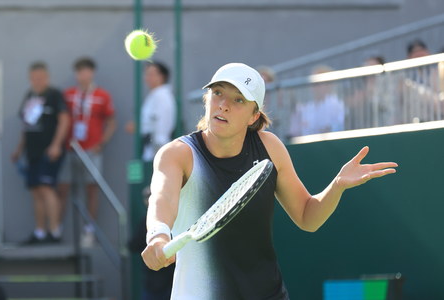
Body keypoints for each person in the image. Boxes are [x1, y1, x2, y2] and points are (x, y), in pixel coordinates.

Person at [141, 63, 397, 299]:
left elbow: (308, 217)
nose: (223, 105)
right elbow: (162, 198)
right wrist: (157, 236)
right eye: (218, 93)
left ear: (254, 116)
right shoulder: (178, 154)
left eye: (238, 99)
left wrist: (337, 185)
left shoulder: (270, 147)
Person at [58, 57, 116, 247]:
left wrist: (102, 143)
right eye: (79, 71)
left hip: (92, 149)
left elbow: (112, 122)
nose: (83, 75)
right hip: (70, 148)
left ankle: (89, 230)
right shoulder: (68, 94)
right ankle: (57, 229)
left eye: (86, 71)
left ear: (92, 73)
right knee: (64, 187)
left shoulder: (102, 95)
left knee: (92, 189)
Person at [11, 61, 70, 244]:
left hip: (49, 151)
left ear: (47, 77)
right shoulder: (29, 96)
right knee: (36, 191)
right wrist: (19, 149)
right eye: (34, 78)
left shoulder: (54, 95)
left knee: (46, 188)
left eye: (41, 78)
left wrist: (56, 145)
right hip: (32, 152)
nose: (37, 81)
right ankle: (40, 232)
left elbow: (64, 120)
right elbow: (26, 125)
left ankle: (54, 231)